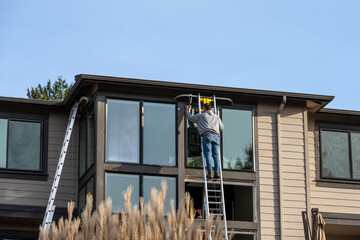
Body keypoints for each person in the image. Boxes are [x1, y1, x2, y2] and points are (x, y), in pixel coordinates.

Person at [186, 102, 224, 180]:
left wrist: (188, 110)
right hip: (216, 136)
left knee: (208, 155)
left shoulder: (201, 115)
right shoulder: (216, 117)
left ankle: (210, 173)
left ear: (204, 108)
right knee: (216, 156)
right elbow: (222, 127)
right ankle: (217, 172)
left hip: (207, 135)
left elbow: (190, 118)